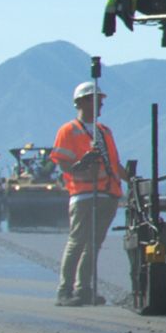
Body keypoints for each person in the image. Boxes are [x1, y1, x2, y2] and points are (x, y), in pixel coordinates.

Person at [51, 81, 123, 306]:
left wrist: (133, 178)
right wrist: (83, 167)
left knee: (94, 245)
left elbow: (115, 163)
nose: (100, 104)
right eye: (96, 100)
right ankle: (64, 291)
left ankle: (84, 290)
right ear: (81, 102)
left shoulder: (105, 131)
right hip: (83, 195)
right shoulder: (69, 130)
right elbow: (64, 164)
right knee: (77, 242)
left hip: (107, 194)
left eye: (101, 100)